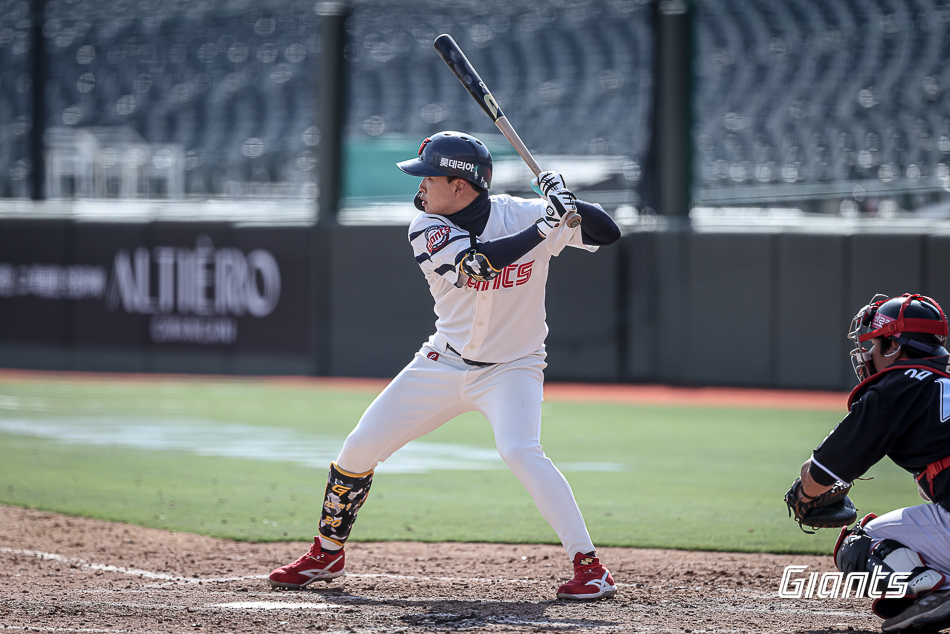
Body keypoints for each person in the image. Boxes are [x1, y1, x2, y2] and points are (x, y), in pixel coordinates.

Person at [268, 131, 621, 600]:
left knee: (520, 450)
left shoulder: (522, 212)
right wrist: (545, 226)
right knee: (359, 446)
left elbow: (607, 233)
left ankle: (590, 567)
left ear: (460, 185)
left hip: (513, 367)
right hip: (443, 362)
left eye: (429, 178)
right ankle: (327, 553)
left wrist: (567, 199)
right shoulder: (426, 226)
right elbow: (477, 266)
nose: (420, 187)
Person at [788, 293, 950, 632]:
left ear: (894, 345)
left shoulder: (896, 387)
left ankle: (943, 592)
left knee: (857, 546)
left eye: (874, 343)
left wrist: (803, 494)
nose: (867, 353)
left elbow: (819, 474)